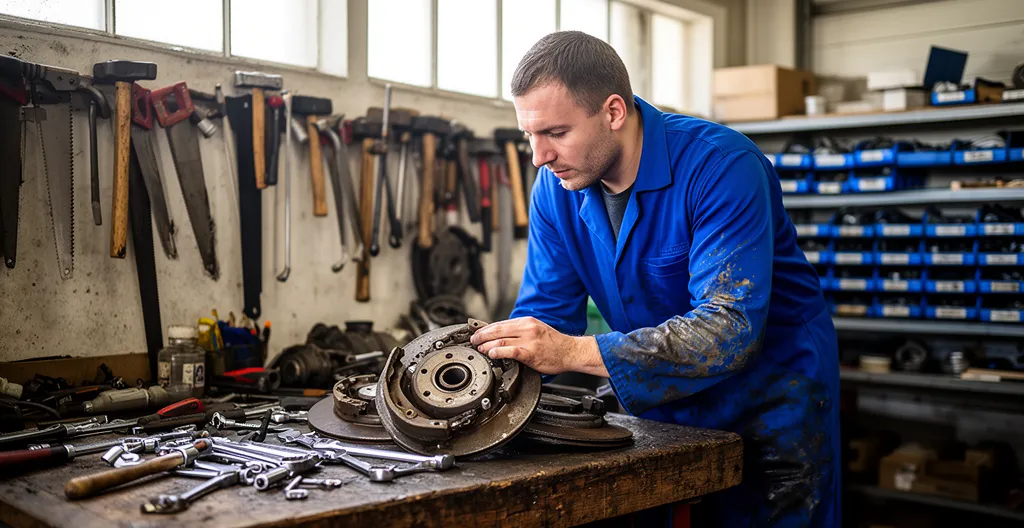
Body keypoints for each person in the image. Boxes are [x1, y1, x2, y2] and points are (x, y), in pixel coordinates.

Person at [469, 31, 840, 526]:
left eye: (556, 133)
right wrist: (483, 383)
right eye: (529, 136)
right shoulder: (554, 190)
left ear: (613, 112)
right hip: (664, 401)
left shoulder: (722, 166)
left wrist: (574, 352)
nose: (539, 156)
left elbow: (729, 328)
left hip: (772, 400)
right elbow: (547, 314)